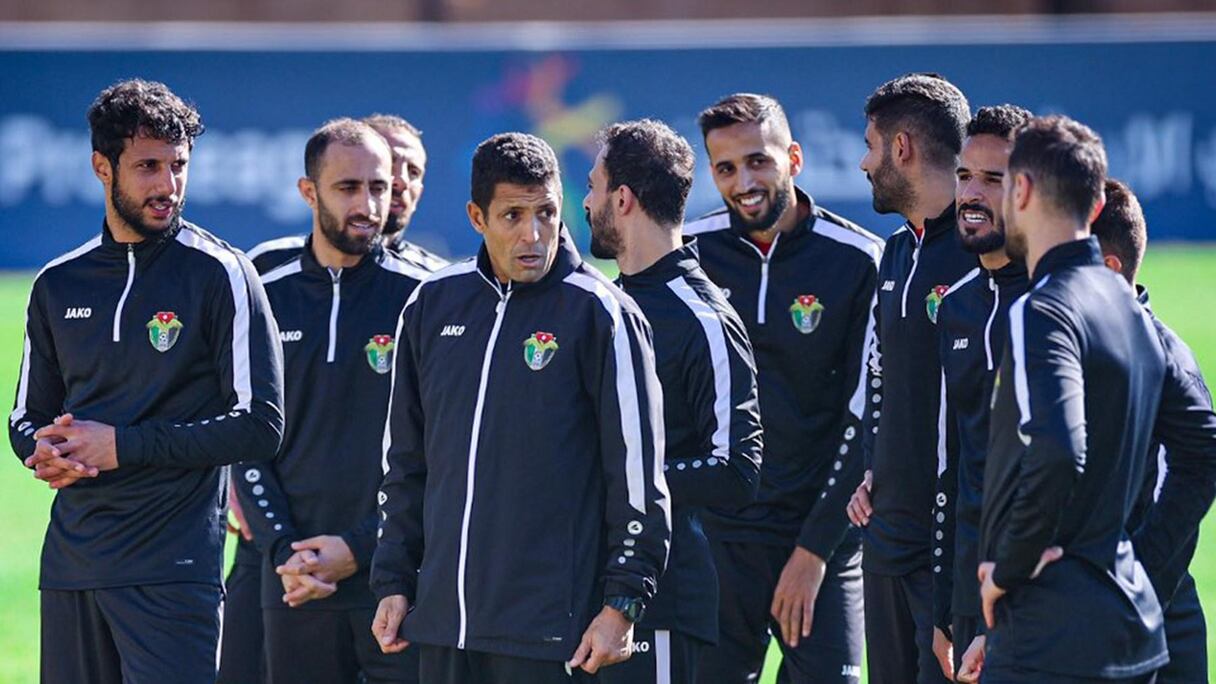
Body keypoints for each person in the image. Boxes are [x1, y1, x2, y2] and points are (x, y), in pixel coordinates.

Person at [8, 78, 284, 683]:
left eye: (178, 166)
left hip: (173, 571)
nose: (168, 186)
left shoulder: (222, 273)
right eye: (148, 167)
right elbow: (25, 416)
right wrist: (44, 450)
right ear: (101, 168)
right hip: (73, 568)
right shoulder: (58, 282)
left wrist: (121, 446)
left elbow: (260, 425)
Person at [370, 132, 671, 683]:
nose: (533, 234)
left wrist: (622, 604)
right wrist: (392, 580)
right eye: (513, 215)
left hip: (549, 631)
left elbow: (638, 480)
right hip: (443, 626)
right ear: (477, 218)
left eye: (546, 213)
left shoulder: (603, 313)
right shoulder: (432, 303)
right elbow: (406, 462)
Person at [683, 93, 882, 684]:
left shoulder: (860, 260)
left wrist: (815, 550)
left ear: (793, 158)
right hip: (718, 543)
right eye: (726, 168)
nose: (744, 183)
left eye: (758, 161)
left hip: (822, 538)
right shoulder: (687, 255)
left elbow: (867, 415)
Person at [230, 118, 430, 683]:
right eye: (348, 188)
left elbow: (441, 449)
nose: (367, 205)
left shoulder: (426, 298)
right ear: (308, 191)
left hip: (394, 578)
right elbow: (245, 432)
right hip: (292, 577)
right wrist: (283, 550)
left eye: (379, 187)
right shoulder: (263, 291)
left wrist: (361, 547)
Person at [979, 115, 1168, 683]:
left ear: (1021, 189)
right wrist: (1134, 555)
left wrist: (1008, 568)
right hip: (1133, 625)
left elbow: (1060, 449)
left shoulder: (1041, 310)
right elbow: (1201, 446)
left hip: (1049, 636)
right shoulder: (1132, 306)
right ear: (1095, 205)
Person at [583, 118, 764, 684]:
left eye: (591, 187)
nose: (585, 203)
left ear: (622, 199)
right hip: (584, 596)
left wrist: (629, 480)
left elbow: (737, 468)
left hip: (662, 604)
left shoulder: (703, 317)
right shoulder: (602, 302)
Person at [846, 73, 974, 684]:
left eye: (870, 146)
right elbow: (881, 376)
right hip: (885, 540)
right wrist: (873, 465)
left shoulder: (980, 255)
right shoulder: (896, 251)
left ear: (902, 148)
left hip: (946, 550)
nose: (863, 163)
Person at [1091, 178, 1216, 684]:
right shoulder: (1066, 349)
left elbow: (1195, 472)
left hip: (1154, 616)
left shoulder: (1161, 360)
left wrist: (1133, 585)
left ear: (1108, 268)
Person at [925, 104, 1032, 682]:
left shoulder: (1059, 300)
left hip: (1044, 585)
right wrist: (946, 605)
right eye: (965, 175)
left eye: (993, 179)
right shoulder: (959, 306)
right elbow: (953, 462)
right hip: (971, 588)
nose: (971, 194)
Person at [247, 113, 447, 274]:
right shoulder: (265, 265)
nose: (400, 181)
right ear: (310, 192)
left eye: (414, 172)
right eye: (389, 163)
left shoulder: (436, 283)